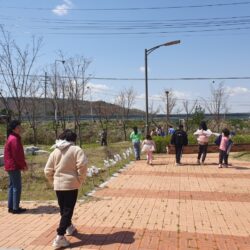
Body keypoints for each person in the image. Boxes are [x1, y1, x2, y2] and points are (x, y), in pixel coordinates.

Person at [44, 129, 88, 249]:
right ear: (73, 139)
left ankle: (69, 227)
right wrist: (80, 179)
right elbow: (82, 165)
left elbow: (47, 170)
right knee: (68, 210)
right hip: (71, 185)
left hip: (58, 185)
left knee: (63, 209)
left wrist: (53, 181)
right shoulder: (76, 149)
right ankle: (60, 236)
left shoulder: (55, 151)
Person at [4, 120, 27, 214]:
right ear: (14, 129)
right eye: (18, 127)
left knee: (12, 186)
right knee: (17, 186)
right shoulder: (14, 139)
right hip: (13, 166)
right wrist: (23, 166)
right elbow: (17, 155)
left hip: (10, 165)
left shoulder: (11, 137)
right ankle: (15, 208)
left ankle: (11, 207)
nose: (20, 128)